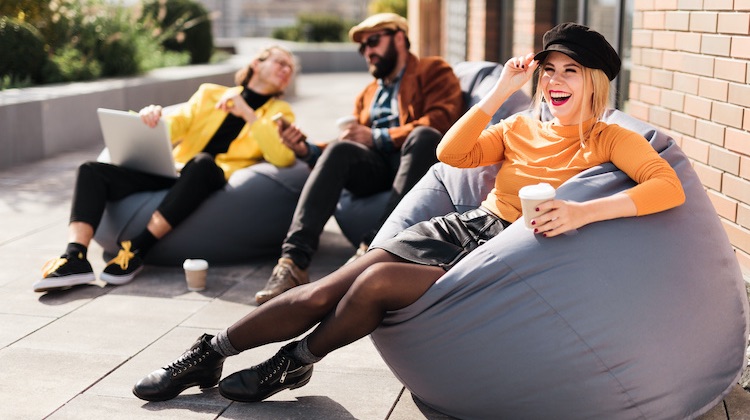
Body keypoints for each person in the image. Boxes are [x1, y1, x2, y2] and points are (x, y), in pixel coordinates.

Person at [132, 22, 685, 404]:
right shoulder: (519, 125)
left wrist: (585, 213)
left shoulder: (610, 137)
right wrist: (502, 91)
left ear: (594, 79)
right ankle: (209, 352)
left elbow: (667, 187)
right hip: (465, 226)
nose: (555, 80)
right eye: (549, 70)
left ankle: (295, 359)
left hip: (505, 251)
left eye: (571, 71)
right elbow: (451, 153)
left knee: (376, 285)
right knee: (332, 284)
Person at [33, 45, 299, 293]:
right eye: (281, 62)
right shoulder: (210, 94)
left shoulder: (280, 112)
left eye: (290, 68)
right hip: (176, 172)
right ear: (257, 63)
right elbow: (177, 124)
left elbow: (282, 157)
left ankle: (136, 250)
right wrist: (151, 118)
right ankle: (75, 256)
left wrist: (248, 114)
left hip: (209, 176)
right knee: (91, 170)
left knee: (203, 162)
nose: (287, 70)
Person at [255, 12, 463, 305]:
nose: (368, 52)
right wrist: (306, 149)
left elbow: (443, 120)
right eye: (362, 47)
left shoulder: (433, 69)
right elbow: (352, 140)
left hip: (416, 162)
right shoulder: (368, 93)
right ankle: (292, 262)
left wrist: (378, 136)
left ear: (400, 37)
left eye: (373, 42)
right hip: (376, 169)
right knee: (340, 149)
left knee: (425, 135)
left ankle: (372, 247)